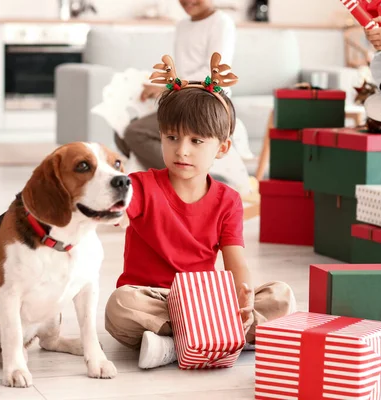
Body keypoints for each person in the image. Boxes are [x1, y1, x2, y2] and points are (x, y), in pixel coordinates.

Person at [105, 53, 296, 370]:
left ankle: (176, 344)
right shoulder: (141, 185)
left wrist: (244, 299)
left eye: (197, 141)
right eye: (171, 138)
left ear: (221, 147)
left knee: (282, 297)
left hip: (204, 302)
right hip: (154, 299)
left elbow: (236, 263)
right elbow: (119, 210)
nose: (182, 150)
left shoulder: (227, 200)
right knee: (121, 305)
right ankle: (218, 339)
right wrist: (114, 211)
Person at [114, 0, 238, 171]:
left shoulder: (221, 23)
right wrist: (161, 84)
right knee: (120, 131)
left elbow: (213, 72)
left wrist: (168, 88)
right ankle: (163, 181)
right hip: (182, 97)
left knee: (135, 133)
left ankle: (190, 174)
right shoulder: (182, 26)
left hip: (206, 100)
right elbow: (183, 71)